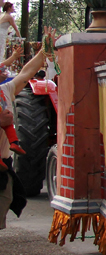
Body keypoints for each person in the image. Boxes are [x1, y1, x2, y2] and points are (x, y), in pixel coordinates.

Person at [1, 28, 57, 229]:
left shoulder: (6, 90)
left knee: (5, 204)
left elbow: (26, 73)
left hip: (3, 164)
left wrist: (44, 50)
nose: (4, 69)